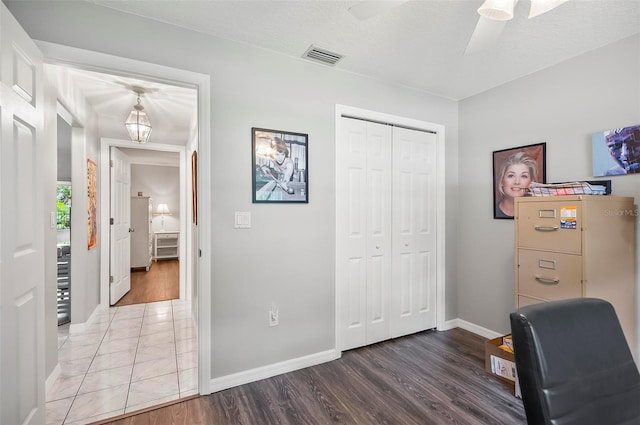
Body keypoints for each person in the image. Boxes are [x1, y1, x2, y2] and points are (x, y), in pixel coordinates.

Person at [495, 152, 538, 218]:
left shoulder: (537, 212)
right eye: (511, 176)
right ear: (502, 181)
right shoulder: (489, 210)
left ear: (531, 182)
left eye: (523, 176)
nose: (517, 182)